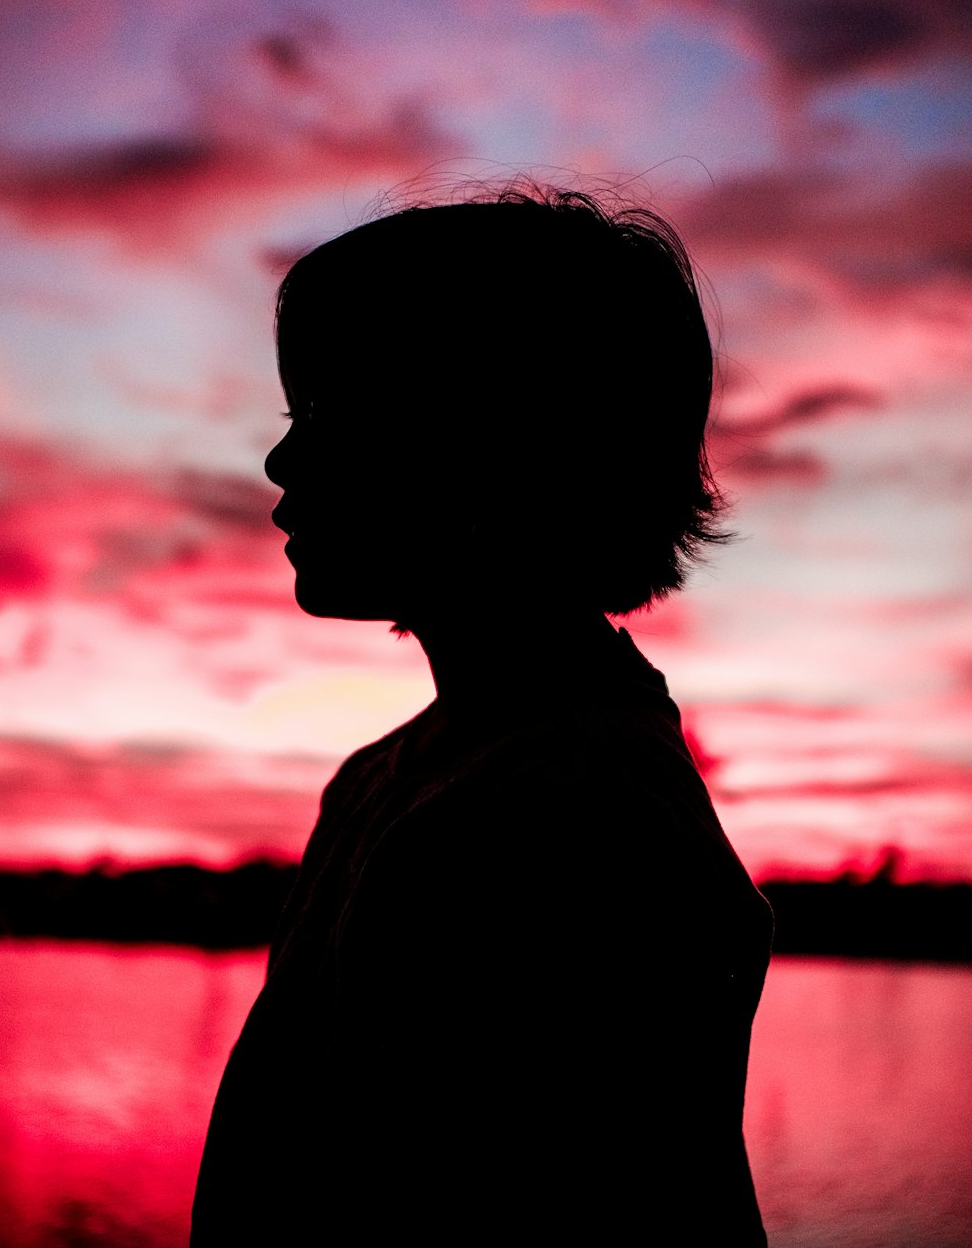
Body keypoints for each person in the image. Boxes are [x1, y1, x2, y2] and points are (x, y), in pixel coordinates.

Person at [191, 186, 773, 1244]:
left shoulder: (576, 816)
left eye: (326, 413)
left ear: (492, 444)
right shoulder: (386, 776)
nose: (280, 462)